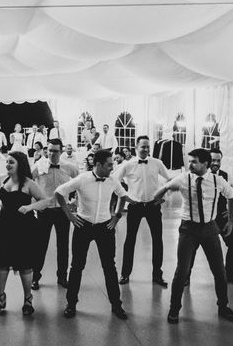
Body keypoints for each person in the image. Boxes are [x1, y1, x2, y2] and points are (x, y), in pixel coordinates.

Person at [153, 148, 233, 324]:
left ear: (205, 164)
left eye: (194, 162)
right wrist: (159, 198)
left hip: (210, 229)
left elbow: (232, 197)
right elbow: (164, 187)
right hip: (188, 229)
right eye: (189, 161)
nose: (189, 164)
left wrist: (230, 221)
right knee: (182, 271)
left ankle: (223, 307)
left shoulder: (218, 180)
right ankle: (174, 309)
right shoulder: (184, 178)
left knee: (219, 271)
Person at [54, 149, 137, 320]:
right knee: (77, 266)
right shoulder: (82, 179)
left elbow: (123, 196)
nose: (111, 168)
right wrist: (70, 216)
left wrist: (116, 216)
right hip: (83, 226)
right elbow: (59, 192)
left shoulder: (112, 179)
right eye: (109, 165)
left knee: (109, 267)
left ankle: (116, 305)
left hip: (105, 228)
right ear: (98, 164)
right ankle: (71, 304)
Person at [0, 152, 49, 315]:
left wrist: (29, 207)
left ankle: (27, 299)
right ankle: (0, 298)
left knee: (24, 264)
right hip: (4, 225)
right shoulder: (4, 178)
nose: (8, 165)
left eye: (11, 162)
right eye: (7, 162)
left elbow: (45, 200)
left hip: (22, 227)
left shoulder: (28, 183)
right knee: (1, 262)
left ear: (20, 163)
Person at [114, 135, 171, 287]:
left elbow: (170, 180)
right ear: (136, 147)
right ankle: (125, 274)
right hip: (135, 206)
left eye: (147, 146)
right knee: (130, 240)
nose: (145, 149)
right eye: (143, 146)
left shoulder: (157, 163)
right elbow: (114, 181)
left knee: (157, 240)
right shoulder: (128, 164)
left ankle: (157, 275)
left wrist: (163, 196)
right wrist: (125, 196)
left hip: (153, 206)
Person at [185, 148, 233, 287]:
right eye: (213, 160)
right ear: (206, 161)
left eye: (219, 160)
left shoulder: (225, 176)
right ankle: (185, 277)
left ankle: (230, 276)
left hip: (221, 219)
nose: (216, 163)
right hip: (200, 220)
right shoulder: (193, 175)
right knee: (191, 249)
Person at [30, 139, 79, 290]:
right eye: (49, 150)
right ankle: (35, 277)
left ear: (61, 151)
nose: (51, 153)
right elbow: (28, 182)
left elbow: (81, 183)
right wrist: (34, 204)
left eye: (55, 150)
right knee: (40, 244)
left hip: (63, 211)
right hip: (45, 210)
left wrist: (75, 202)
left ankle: (62, 277)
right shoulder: (39, 165)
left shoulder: (70, 167)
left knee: (63, 245)